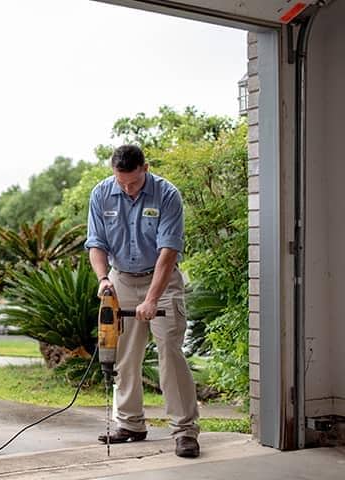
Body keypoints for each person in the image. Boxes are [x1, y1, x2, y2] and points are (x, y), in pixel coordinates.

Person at [85, 144, 200, 458]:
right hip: (120, 276)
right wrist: (103, 279)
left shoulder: (166, 194)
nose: (126, 188)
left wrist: (151, 299)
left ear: (145, 168)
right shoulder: (101, 194)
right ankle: (131, 423)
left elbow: (168, 252)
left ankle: (185, 431)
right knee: (124, 355)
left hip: (161, 279)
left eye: (133, 182)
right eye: (120, 182)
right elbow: (96, 243)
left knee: (170, 352)